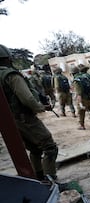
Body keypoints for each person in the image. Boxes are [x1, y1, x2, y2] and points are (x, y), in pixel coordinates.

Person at [0, 44, 58, 181]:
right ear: (6, 58)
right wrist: (40, 107)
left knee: (35, 149)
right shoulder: (11, 75)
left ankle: (38, 179)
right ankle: (50, 180)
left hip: (11, 121)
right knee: (50, 147)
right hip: (25, 118)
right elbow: (27, 98)